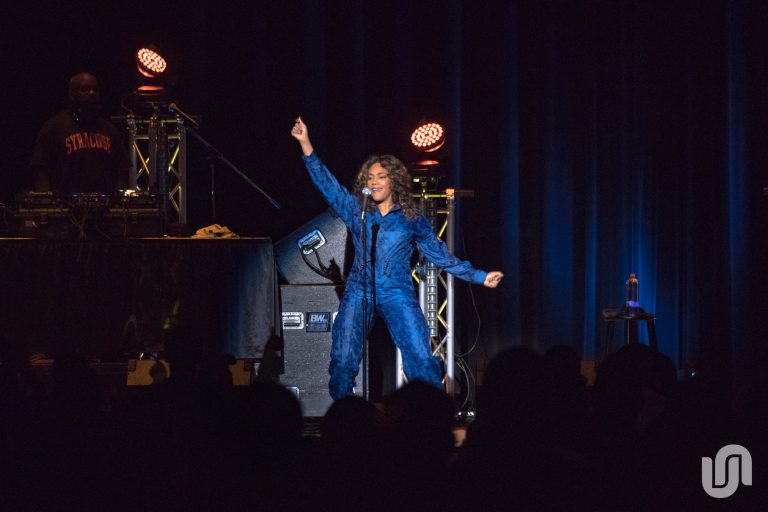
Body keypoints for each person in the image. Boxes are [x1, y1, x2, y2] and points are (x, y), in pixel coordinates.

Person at [291, 116, 504, 400]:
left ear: (394, 181)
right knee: (343, 357)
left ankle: (431, 418)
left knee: (420, 356)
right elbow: (328, 185)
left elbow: (438, 253)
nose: (375, 182)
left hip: (396, 290)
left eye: (381, 176)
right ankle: (344, 419)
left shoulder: (410, 217)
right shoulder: (357, 210)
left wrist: (478, 276)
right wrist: (306, 143)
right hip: (359, 289)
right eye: (370, 177)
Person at [30, 72, 129, 195]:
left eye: (95, 89)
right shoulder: (54, 127)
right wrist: (46, 203)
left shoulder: (110, 130)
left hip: (104, 207)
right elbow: (41, 168)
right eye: (85, 89)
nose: (91, 93)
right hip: (64, 208)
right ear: (72, 94)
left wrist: (117, 203)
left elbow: (122, 169)